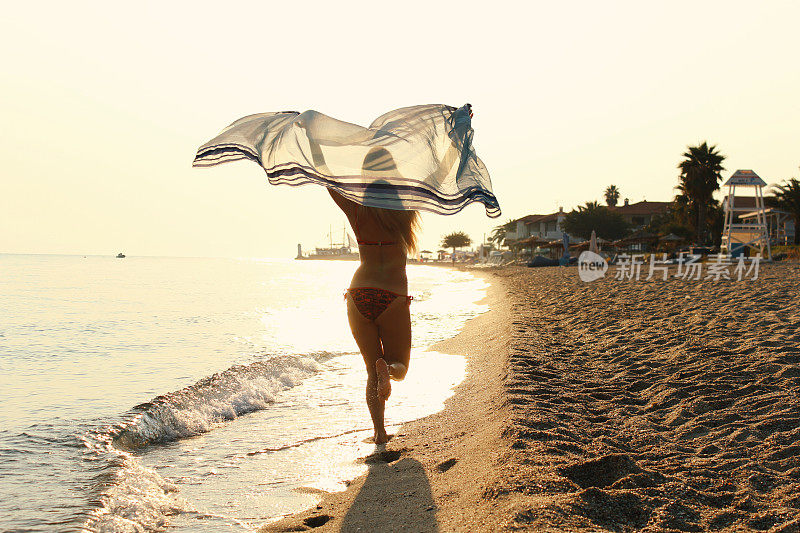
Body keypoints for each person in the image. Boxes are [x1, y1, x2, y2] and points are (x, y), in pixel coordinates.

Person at [328, 148, 420, 444]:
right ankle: (388, 370)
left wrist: (310, 142)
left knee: (370, 367)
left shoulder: (356, 209)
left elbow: (326, 180)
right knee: (400, 367)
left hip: (359, 293)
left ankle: (379, 432)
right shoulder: (406, 208)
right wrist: (459, 129)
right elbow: (434, 174)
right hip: (392, 295)